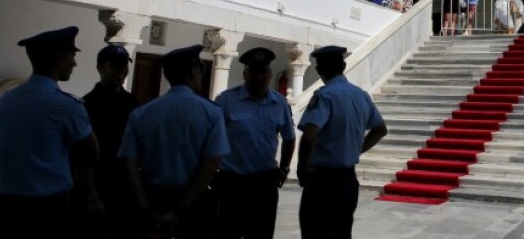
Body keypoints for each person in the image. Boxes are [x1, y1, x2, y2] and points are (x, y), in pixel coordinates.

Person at [0, 27, 100, 237]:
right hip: (47, 208)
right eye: (71, 56)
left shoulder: (6, 100)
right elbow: (90, 154)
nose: (74, 63)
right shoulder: (66, 106)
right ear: (58, 59)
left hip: (6, 205)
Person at [119, 45, 229, 238]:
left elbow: (129, 163)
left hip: (152, 197)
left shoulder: (142, 113)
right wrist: (180, 209)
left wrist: (145, 208)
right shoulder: (211, 112)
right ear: (193, 72)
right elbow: (212, 163)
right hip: (193, 202)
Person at [297, 45, 388, 239]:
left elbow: (310, 134)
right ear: (344, 66)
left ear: (319, 70)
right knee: (342, 232)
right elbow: (380, 129)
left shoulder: (325, 96)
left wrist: (302, 168)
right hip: (347, 180)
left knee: (315, 232)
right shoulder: (361, 95)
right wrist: (355, 149)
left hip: (322, 181)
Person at [214, 48, 296, 239]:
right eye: (254, 72)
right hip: (232, 183)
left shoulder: (279, 103)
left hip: (264, 185)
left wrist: (284, 168)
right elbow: (211, 138)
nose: (259, 78)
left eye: (263, 72)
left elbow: (289, 138)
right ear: (245, 74)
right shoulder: (226, 101)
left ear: (269, 74)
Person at [83, 44, 138, 238]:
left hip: (126, 188)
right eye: (114, 65)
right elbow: (81, 154)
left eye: (124, 65)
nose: (121, 70)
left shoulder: (134, 104)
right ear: (100, 68)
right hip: (95, 186)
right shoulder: (86, 104)